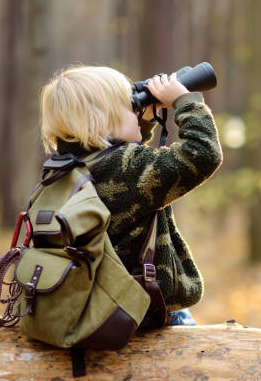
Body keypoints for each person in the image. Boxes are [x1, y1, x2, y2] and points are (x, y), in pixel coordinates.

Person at [39, 65, 222, 327]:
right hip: (149, 314)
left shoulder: (66, 167)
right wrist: (185, 101)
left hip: (104, 307)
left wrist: (145, 119)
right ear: (104, 120)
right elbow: (202, 154)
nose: (137, 111)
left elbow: (129, 168)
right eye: (130, 107)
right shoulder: (127, 168)